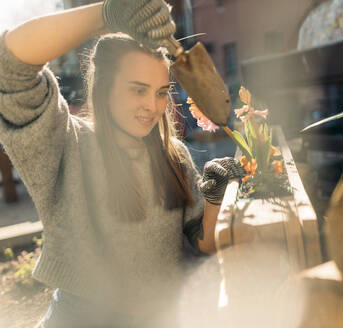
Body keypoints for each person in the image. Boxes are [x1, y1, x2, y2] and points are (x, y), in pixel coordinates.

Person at [0, 1, 243, 327]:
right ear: (105, 87)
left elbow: (203, 245)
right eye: (137, 90)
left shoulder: (174, 156)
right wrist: (108, 14)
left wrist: (215, 195)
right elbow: (10, 65)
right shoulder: (67, 145)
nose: (152, 106)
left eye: (160, 92)